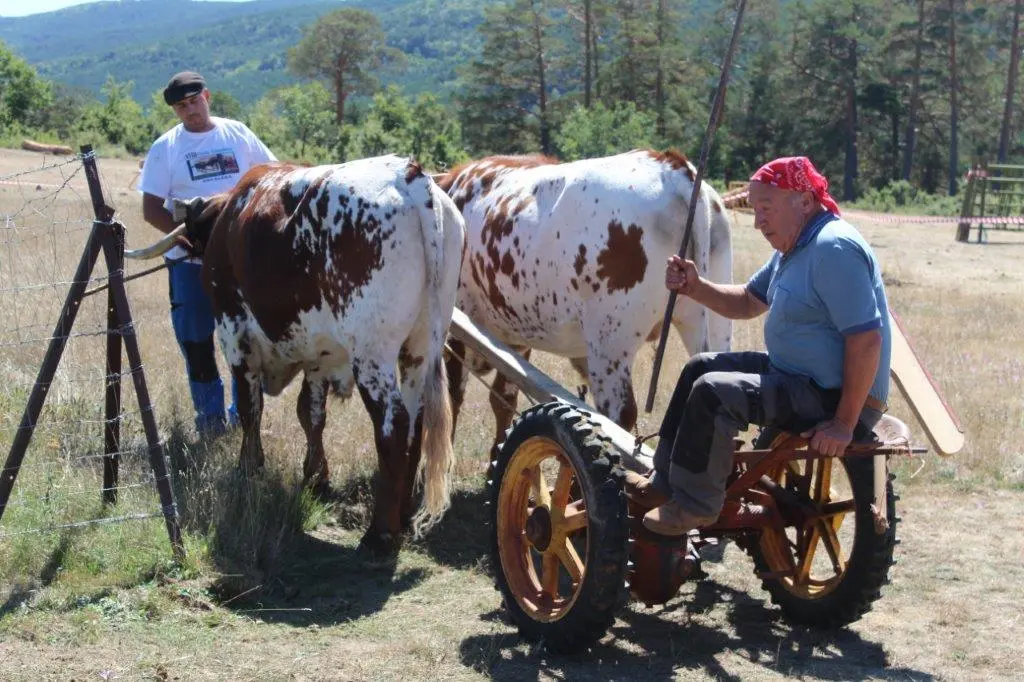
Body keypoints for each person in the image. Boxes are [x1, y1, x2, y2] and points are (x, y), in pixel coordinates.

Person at [626, 156, 892, 536]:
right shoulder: (796, 247)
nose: (758, 221)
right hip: (798, 379)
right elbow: (749, 301)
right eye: (755, 210)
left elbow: (867, 340)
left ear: (803, 201)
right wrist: (695, 287)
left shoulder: (834, 248)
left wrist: (844, 424)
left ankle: (695, 506)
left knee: (713, 393)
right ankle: (664, 483)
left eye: (766, 209)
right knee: (700, 367)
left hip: (830, 396)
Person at [138, 71, 277, 435]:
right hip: (190, 263)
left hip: (240, 262)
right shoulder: (165, 148)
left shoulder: (238, 134)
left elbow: (272, 176)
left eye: (194, 101)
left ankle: (242, 417)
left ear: (207, 96)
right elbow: (151, 207)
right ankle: (210, 422)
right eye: (181, 107)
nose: (190, 111)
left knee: (247, 341)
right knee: (197, 343)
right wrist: (179, 237)